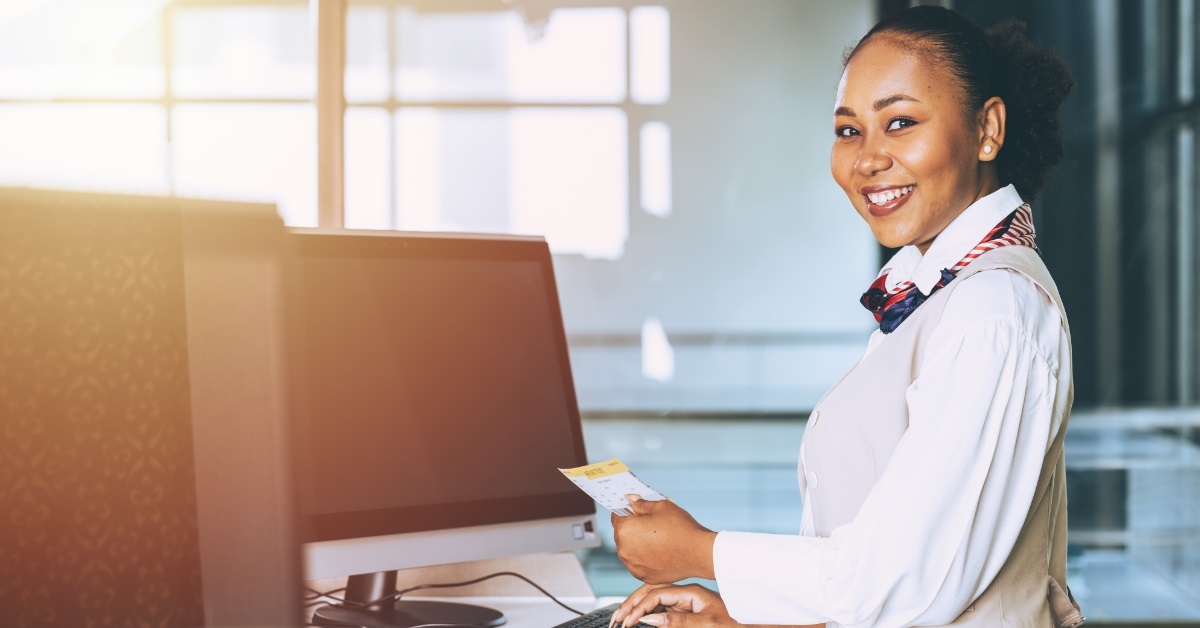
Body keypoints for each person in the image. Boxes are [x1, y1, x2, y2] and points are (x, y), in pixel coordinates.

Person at [607, 6, 1086, 628]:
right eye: (849, 130)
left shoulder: (992, 308)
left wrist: (701, 551)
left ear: (987, 129)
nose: (867, 159)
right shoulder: (937, 293)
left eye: (900, 122)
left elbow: (904, 579)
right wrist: (742, 621)